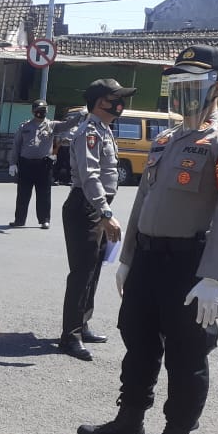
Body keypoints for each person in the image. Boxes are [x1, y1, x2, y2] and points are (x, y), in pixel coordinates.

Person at [76, 45, 218, 434]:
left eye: (191, 83)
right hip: (149, 262)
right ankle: (129, 423)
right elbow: (144, 201)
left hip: (189, 265)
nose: (181, 92)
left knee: (186, 354)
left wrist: (215, 277)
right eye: (175, 83)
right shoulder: (166, 138)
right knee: (137, 342)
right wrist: (127, 257)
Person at [58, 79, 133, 361]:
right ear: (99, 101)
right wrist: (105, 213)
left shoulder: (103, 130)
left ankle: (82, 323)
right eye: (115, 99)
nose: (119, 104)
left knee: (94, 269)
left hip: (96, 207)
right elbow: (90, 177)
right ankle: (70, 336)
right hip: (85, 207)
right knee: (81, 273)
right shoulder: (88, 132)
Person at [8, 99, 85, 229]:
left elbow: (68, 124)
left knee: (44, 193)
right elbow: (16, 146)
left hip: (43, 165)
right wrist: (12, 163)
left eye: (43, 110)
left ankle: (44, 220)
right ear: (33, 111)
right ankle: (19, 220)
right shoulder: (24, 126)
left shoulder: (52, 125)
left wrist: (80, 115)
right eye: (38, 110)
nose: (40, 113)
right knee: (23, 193)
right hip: (26, 164)